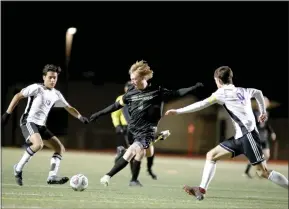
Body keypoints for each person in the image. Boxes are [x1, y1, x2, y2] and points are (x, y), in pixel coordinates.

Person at [165, 66, 288, 201]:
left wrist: (178, 111)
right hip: (239, 138)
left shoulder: (221, 93)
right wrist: (263, 111)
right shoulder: (243, 91)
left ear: (218, 80)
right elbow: (258, 92)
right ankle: (201, 190)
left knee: (262, 172)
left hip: (248, 137)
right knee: (211, 156)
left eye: (215, 81)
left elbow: (201, 104)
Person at [89, 60, 203, 187]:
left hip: (147, 131)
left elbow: (176, 93)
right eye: (131, 79)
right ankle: (112, 176)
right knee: (141, 152)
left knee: (140, 152)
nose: (132, 81)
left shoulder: (156, 91)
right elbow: (115, 106)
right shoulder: (130, 94)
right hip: (133, 130)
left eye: (134, 79)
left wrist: (192, 89)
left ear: (143, 78)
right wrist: (98, 114)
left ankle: (114, 176)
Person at [1, 64, 89, 186]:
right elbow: (18, 96)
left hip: (41, 126)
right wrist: (7, 113)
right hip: (28, 122)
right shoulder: (36, 88)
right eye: (50, 77)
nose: (53, 80)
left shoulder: (56, 94)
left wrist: (80, 117)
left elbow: (68, 108)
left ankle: (52, 176)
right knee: (38, 145)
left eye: (55, 78)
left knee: (60, 148)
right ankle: (18, 168)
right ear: (44, 77)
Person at [111, 81, 170, 183]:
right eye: (128, 87)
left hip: (141, 127)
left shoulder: (141, 96)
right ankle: (134, 178)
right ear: (125, 89)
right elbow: (115, 114)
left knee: (148, 151)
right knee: (136, 151)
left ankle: (142, 167)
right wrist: (118, 126)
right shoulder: (121, 98)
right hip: (128, 127)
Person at [244, 96, 277, 178]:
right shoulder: (254, 113)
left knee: (267, 155)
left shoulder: (266, 113)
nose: (266, 104)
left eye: (267, 102)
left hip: (264, 137)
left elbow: (267, 124)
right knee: (256, 156)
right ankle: (257, 172)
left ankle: (258, 171)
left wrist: (272, 132)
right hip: (256, 137)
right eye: (265, 102)